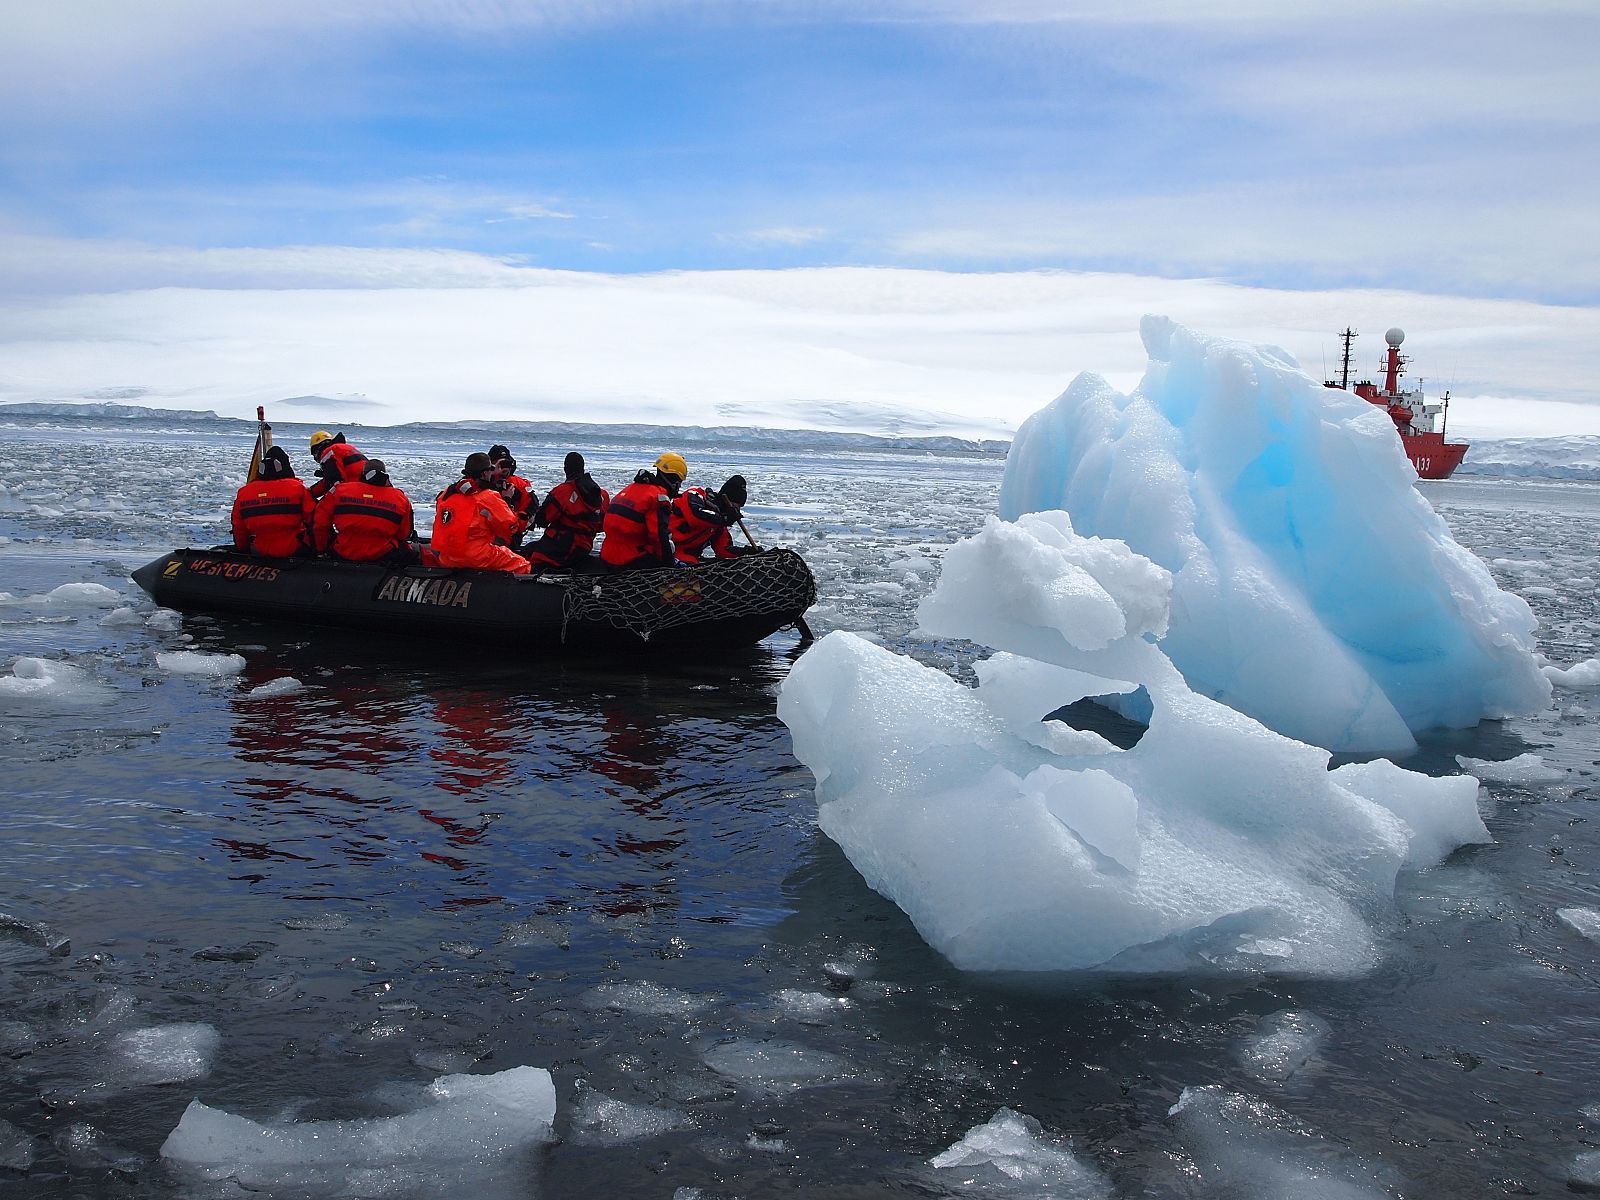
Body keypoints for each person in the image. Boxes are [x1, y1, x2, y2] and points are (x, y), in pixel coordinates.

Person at [432, 452, 531, 574]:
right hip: (476, 556)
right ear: (485, 473)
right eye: (490, 470)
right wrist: (507, 501)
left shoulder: (447, 493)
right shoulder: (487, 496)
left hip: (447, 557)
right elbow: (509, 527)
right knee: (522, 565)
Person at [312, 459, 418, 563]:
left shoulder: (338, 491)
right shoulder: (400, 498)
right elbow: (404, 534)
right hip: (383, 554)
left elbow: (320, 524)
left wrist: (321, 550)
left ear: (363, 473)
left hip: (344, 551)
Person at [599, 452, 685, 570]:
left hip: (607, 556)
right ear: (674, 481)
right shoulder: (658, 497)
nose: (679, 487)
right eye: (680, 482)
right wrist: (670, 562)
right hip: (629, 560)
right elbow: (659, 537)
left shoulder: (632, 488)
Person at [525, 452, 610, 571]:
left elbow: (542, 520)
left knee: (528, 552)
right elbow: (602, 525)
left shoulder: (563, 492)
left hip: (557, 551)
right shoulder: (602, 495)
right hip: (583, 549)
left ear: (565, 469)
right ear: (583, 468)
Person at [231, 446, 314, 558]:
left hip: (260, 551)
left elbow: (238, 528)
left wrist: (243, 551)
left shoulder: (244, 493)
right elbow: (316, 521)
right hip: (295, 550)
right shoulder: (297, 489)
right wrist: (318, 549)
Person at [671, 474, 756, 564]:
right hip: (665, 546)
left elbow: (723, 551)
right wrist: (724, 519)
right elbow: (695, 515)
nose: (736, 510)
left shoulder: (719, 526)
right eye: (735, 505)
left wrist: (746, 552)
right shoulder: (695, 495)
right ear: (725, 499)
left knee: (692, 567)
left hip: (684, 555)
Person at [487, 446, 538, 549]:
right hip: (485, 535)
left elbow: (531, 510)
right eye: (497, 462)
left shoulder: (520, 485)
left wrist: (515, 525)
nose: (503, 467)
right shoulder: (482, 483)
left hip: (510, 537)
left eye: (506, 463)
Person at [307, 430, 368, 500]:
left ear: (316, 448)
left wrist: (309, 495)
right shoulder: (346, 448)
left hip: (354, 492)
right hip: (367, 491)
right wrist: (312, 491)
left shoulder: (329, 452)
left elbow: (333, 482)